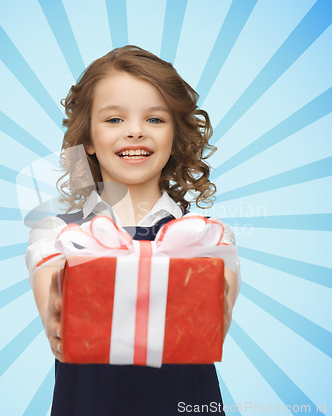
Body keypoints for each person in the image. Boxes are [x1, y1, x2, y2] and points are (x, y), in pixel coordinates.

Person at [25, 45, 240, 416]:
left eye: (155, 120)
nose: (136, 131)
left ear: (175, 135)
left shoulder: (209, 237)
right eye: (114, 120)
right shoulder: (55, 234)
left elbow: (209, 332)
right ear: (88, 140)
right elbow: (61, 327)